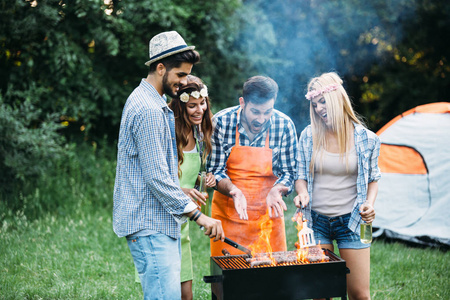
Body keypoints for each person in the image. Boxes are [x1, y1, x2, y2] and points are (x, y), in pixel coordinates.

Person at [113, 31, 224, 300]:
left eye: (187, 75)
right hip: (150, 223)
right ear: (160, 67)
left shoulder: (152, 101)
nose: (184, 82)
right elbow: (157, 178)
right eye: (180, 75)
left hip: (160, 222)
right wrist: (199, 216)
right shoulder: (150, 110)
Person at [294, 72, 381, 300]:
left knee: (359, 294)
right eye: (314, 105)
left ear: (337, 98)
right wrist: (301, 193)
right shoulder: (309, 135)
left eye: (323, 102)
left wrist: (369, 205)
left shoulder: (367, 139)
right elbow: (300, 176)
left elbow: (373, 178)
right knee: (320, 293)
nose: (319, 109)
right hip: (315, 222)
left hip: (352, 221)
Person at [207, 75, 298, 256]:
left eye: (268, 112)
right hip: (228, 219)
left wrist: (278, 189)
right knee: (226, 279)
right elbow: (214, 170)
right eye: (255, 112)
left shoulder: (284, 125)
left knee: (272, 280)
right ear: (242, 102)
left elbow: (290, 172)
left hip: (268, 219)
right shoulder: (221, 123)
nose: (262, 119)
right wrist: (233, 189)